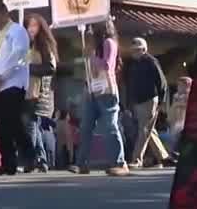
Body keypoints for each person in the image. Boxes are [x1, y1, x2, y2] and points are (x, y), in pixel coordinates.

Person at [70, 19, 129, 176]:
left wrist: (91, 57)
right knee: (85, 128)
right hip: (92, 92)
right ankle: (81, 163)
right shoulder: (93, 47)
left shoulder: (109, 43)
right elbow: (89, 72)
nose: (90, 28)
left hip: (107, 91)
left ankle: (119, 162)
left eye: (93, 26)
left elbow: (107, 66)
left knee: (110, 126)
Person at [0, 1, 31, 176]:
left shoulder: (17, 31)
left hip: (14, 83)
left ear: (3, 14)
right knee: (1, 125)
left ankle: (29, 155)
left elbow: (18, 56)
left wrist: (2, 77)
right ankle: (8, 163)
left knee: (13, 121)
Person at [123, 37, 170, 169]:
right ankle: (164, 157)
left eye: (138, 50)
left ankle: (137, 159)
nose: (135, 53)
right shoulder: (132, 65)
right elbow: (129, 85)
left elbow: (162, 82)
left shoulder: (151, 62)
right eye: (133, 51)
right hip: (138, 102)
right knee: (149, 130)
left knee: (143, 129)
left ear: (144, 49)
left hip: (150, 100)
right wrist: (129, 103)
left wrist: (162, 101)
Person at [24, 13, 58, 172]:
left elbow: (50, 68)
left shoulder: (44, 45)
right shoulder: (27, 45)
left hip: (38, 91)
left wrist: (28, 69)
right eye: (28, 25)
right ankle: (41, 160)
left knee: (31, 125)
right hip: (26, 90)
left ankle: (32, 160)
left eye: (34, 25)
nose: (30, 29)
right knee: (32, 126)